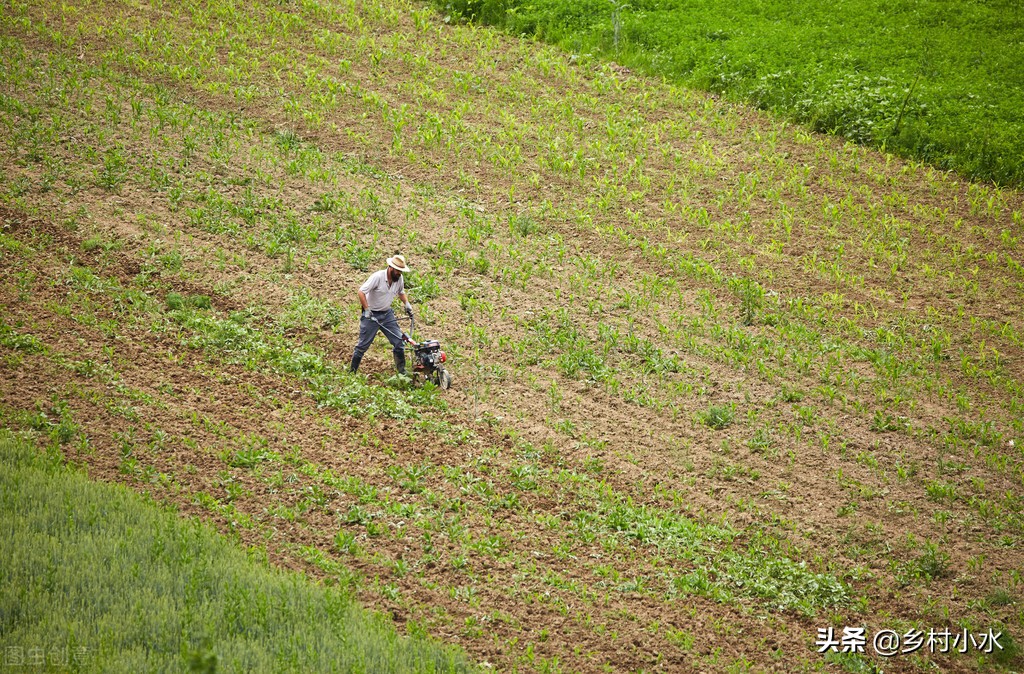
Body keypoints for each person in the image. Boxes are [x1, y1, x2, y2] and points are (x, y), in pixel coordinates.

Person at [350, 255, 414, 374]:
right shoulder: (377, 277)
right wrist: (367, 310)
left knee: (399, 342)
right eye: (397, 271)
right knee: (363, 345)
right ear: (390, 268)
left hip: (387, 314)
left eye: (401, 271)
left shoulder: (399, 279)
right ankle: (352, 372)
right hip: (371, 316)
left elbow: (401, 292)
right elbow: (361, 292)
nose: (399, 273)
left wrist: (407, 303)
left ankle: (402, 372)